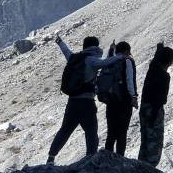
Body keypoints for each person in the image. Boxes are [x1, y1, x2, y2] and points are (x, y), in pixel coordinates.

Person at [47, 34, 107, 163]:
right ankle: (91, 158)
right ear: (95, 46)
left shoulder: (74, 58)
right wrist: (118, 55)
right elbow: (106, 63)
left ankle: (51, 157)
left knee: (65, 130)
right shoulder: (92, 60)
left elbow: (66, 51)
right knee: (91, 131)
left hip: (72, 102)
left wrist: (60, 42)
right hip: (86, 102)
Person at [98, 41, 138, 156]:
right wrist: (134, 96)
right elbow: (130, 80)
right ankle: (119, 159)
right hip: (124, 101)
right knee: (122, 132)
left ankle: (107, 158)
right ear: (126, 51)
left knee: (111, 132)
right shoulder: (127, 61)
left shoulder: (110, 61)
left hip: (111, 101)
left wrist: (111, 50)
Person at [137, 43, 173, 166]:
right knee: (155, 141)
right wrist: (154, 115)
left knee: (145, 138)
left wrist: (158, 51)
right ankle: (149, 168)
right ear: (169, 62)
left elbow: (154, 62)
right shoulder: (164, 76)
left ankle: (140, 165)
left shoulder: (152, 69)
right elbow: (161, 99)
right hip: (154, 110)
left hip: (144, 108)